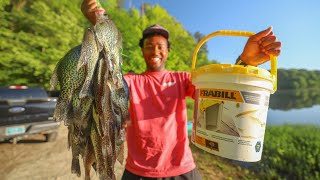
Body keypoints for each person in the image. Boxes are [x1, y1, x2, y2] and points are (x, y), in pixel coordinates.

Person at [81, 1, 282, 179]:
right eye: (149, 46)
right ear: (142, 50)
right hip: (138, 171)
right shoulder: (131, 80)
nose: (155, 51)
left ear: (168, 50)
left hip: (182, 168)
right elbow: (105, 79)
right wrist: (101, 26)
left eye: (160, 46)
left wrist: (244, 62)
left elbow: (222, 91)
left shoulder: (182, 79)